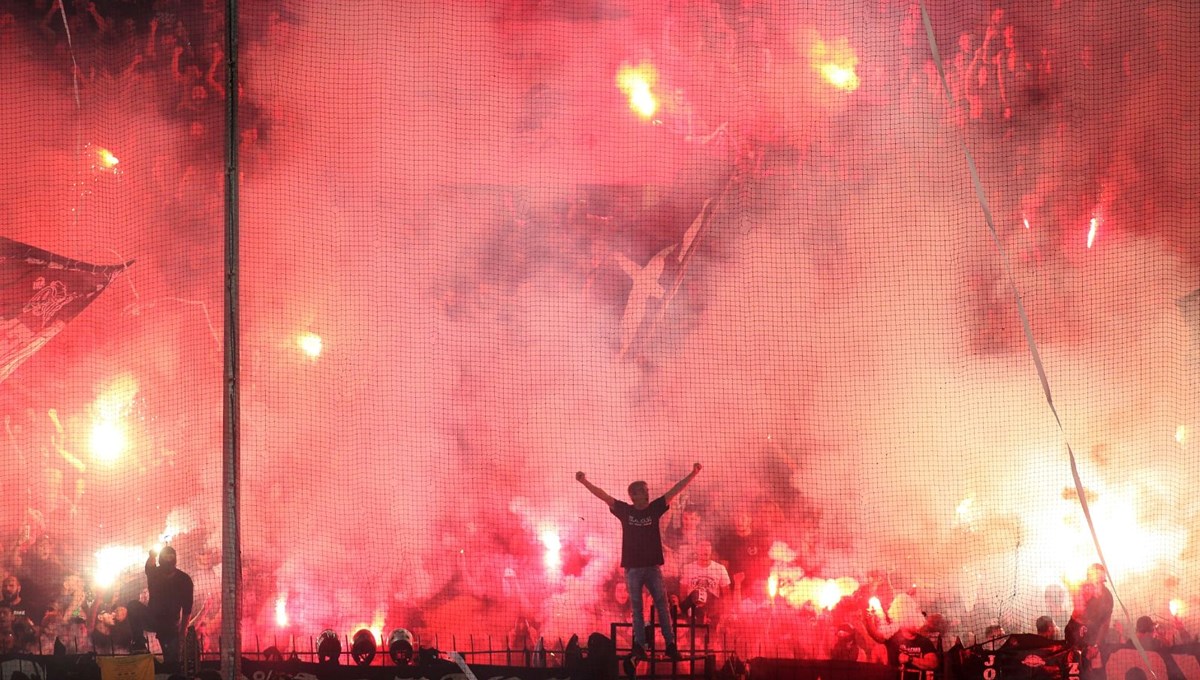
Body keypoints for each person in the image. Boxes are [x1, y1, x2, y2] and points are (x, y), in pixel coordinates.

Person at [576, 463, 702, 663]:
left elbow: (675, 490)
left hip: (653, 568)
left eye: (647, 491)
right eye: (644, 491)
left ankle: (670, 644)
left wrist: (693, 474)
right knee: (637, 608)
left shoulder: (654, 508)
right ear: (634, 495)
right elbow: (603, 495)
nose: (648, 493)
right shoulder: (625, 511)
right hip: (633, 570)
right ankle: (640, 647)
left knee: (662, 605)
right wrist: (584, 482)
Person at [130, 546, 194, 671]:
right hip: (152, 617)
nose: (169, 560)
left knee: (172, 664)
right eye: (166, 557)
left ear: (175, 559)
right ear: (160, 559)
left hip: (169, 625)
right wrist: (152, 556)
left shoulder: (184, 580)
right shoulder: (155, 574)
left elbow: (187, 610)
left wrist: (182, 633)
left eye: (171, 556)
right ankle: (139, 643)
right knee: (132, 606)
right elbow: (149, 566)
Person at [863, 596, 939, 680]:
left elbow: (933, 663)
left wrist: (910, 659)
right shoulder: (893, 637)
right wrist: (869, 620)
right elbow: (877, 636)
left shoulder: (924, 642)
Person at [1065, 563, 1113, 672]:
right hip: (1075, 636)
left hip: (1094, 639)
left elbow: (1105, 625)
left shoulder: (1107, 597)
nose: (1099, 585)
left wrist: (1096, 646)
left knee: (1095, 673)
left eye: (1101, 582)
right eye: (1096, 581)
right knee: (1075, 672)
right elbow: (1077, 618)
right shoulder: (1081, 589)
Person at [677, 540, 731, 629]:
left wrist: (725, 614)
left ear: (710, 550)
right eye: (702, 546)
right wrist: (686, 612)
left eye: (707, 546)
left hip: (712, 611)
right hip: (693, 610)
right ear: (696, 550)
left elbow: (727, 594)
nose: (704, 549)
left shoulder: (720, 568)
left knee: (711, 638)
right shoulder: (688, 568)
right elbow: (683, 593)